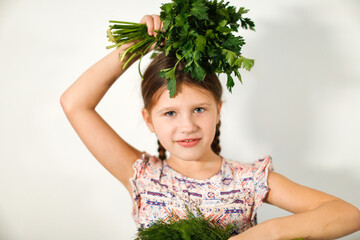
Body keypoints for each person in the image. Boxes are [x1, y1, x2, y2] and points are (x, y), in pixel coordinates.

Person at [60, 15, 360, 239]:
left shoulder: (249, 180)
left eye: (199, 109)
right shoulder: (141, 175)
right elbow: (74, 103)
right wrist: (137, 44)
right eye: (170, 113)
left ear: (218, 111)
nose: (187, 125)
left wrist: (265, 234)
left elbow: (348, 214)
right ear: (149, 120)